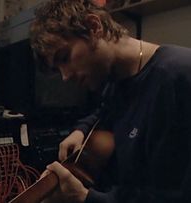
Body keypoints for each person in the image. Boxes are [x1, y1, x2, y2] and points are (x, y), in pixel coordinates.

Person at [30, 0, 191, 202]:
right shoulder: (114, 83)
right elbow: (104, 111)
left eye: (64, 57)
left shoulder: (180, 76)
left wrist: (84, 197)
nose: (65, 77)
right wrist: (81, 130)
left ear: (94, 27)